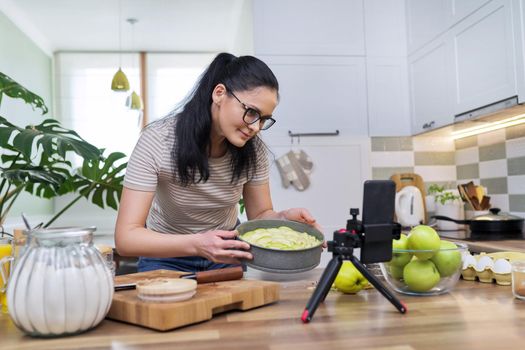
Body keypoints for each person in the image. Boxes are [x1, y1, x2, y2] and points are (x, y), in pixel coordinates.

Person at [115, 52, 321, 273]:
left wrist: (283, 217)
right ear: (219, 93)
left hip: (227, 254)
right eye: (251, 112)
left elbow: (260, 215)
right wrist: (197, 244)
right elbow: (126, 238)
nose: (255, 127)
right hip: (166, 255)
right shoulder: (157, 141)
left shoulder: (254, 149)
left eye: (263, 119)